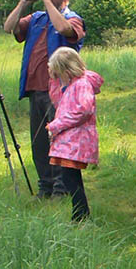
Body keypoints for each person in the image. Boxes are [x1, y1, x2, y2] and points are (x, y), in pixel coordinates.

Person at [4, 0, 86, 198]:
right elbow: (8, 27)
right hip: (35, 89)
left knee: (60, 139)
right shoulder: (36, 18)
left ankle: (62, 187)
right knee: (39, 141)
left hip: (61, 91)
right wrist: (23, 3)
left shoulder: (73, 18)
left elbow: (63, 29)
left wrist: (48, 2)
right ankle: (45, 186)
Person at [46, 47, 103, 221]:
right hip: (69, 139)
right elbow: (56, 100)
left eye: (59, 73)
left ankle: (81, 215)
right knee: (69, 177)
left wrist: (56, 125)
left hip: (77, 139)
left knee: (70, 179)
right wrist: (55, 81)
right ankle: (79, 214)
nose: (57, 76)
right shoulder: (70, 84)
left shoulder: (82, 84)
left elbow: (83, 110)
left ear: (67, 70)